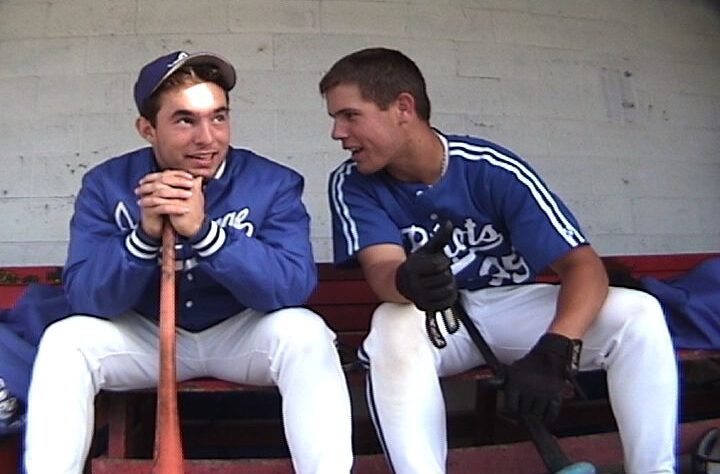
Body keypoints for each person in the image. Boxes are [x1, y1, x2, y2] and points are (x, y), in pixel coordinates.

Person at [319, 47, 677, 474]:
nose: (337, 133)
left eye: (349, 115)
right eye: (335, 119)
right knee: (391, 325)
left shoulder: (490, 168)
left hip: (511, 308)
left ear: (402, 107)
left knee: (639, 313)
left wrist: (556, 348)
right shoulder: (353, 181)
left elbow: (582, 266)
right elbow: (382, 272)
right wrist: (407, 281)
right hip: (433, 322)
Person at [24, 50, 353, 474]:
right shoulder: (107, 184)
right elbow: (87, 297)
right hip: (146, 337)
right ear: (147, 129)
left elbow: (291, 288)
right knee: (65, 341)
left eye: (219, 117)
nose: (208, 137)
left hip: (238, 333)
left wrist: (207, 234)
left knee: (306, 333)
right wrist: (141, 238)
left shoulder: (271, 182)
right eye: (185, 120)